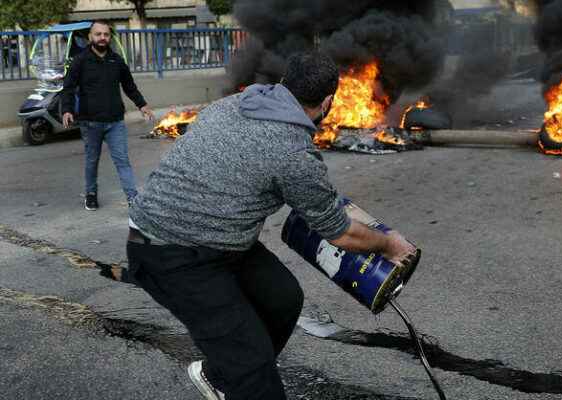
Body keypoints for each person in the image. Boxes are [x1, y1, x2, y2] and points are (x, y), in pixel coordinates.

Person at [127, 53, 417, 400]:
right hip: (167, 249)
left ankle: (218, 374)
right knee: (253, 370)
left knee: (283, 299)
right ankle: (240, 375)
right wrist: (389, 245)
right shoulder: (292, 152)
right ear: (327, 102)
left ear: (284, 85)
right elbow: (340, 233)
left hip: (222, 238)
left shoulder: (235, 102)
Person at [61, 20, 152, 210]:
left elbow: (129, 86)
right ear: (90, 37)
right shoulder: (80, 61)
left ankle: (132, 198)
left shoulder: (116, 60)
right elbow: (68, 88)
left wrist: (142, 105)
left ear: (109, 37)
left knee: (123, 161)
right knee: (92, 161)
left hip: (115, 122)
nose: (102, 38)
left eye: (106, 34)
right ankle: (91, 194)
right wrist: (67, 110)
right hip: (90, 122)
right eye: (98, 34)